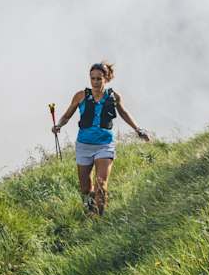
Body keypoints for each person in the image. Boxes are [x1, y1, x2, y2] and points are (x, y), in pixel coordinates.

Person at [52, 61, 149, 215]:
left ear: (106, 79)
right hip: (84, 146)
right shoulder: (80, 96)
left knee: (101, 184)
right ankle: (90, 212)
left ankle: (99, 219)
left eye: (99, 79)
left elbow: (124, 113)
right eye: (93, 78)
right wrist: (58, 125)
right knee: (85, 188)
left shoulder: (114, 96)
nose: (95, 82)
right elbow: (67, 115)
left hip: (105, 145)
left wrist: (138, 129)